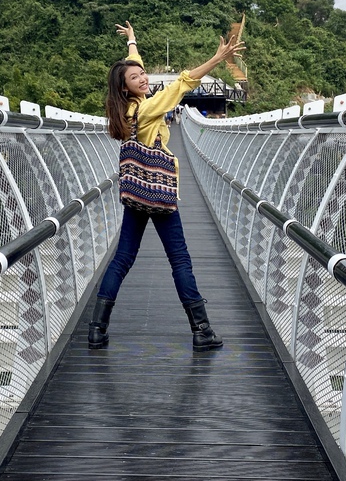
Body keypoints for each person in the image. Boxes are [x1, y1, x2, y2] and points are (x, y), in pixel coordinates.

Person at [88, 21, 246, 351]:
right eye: (136, 78)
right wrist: (217, 59)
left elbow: (135, 69)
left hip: (135, 192)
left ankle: (97, 328)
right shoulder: (148, 108)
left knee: (122, 259)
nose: (144, 78)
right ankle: (201, 330)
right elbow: (183, 83)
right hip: (159, 191)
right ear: (125, 88)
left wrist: (132, 42)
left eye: (142, 74)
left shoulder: (129, 108)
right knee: (180, 261)